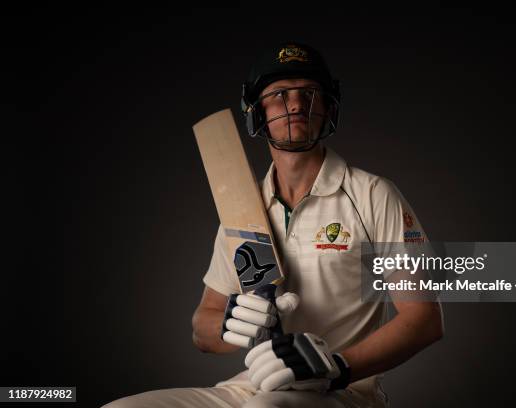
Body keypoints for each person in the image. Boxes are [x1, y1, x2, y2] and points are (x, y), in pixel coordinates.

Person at [102, 41, 443, 408]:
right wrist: (232, 322)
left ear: (328, 107)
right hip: (252, 385)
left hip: (342, 391)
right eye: (279, 95)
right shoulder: (242, 209)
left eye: (309, 94)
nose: (295, 104)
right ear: (256, 111)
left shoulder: (372, 195)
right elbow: (202, 328)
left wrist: (335, 367)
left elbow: (423, 318)